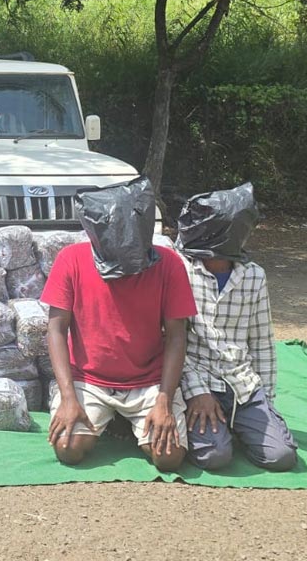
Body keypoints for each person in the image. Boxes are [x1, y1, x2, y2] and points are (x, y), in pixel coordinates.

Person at [42, 177, 196, 471]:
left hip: (148, 380)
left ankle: (126, 423)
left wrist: (164, 400)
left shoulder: (169, 264)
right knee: (68, 450)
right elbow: (56, 329)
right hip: (89, 380)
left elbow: (177, 336)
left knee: (169, 458)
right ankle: (115, 420)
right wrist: (68, 398)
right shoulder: (70, 260)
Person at [175, 183, 298, 472]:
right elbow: (171, 340)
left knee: (280, 457)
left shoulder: (254, 276)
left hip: (243, 383)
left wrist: (265, 399)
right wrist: (196, 392)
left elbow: (262, 340)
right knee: (215, 457)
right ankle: (220, 431)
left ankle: (243, 426)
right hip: (200, 381)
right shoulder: (179, 269)